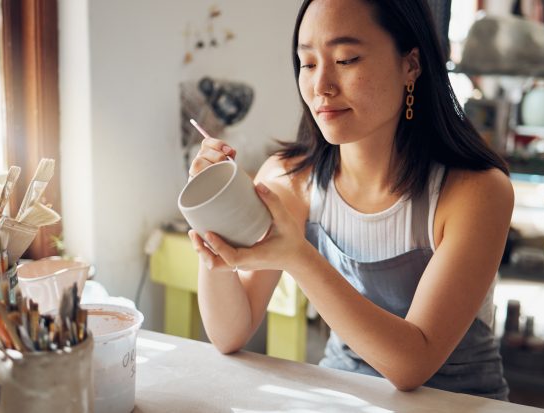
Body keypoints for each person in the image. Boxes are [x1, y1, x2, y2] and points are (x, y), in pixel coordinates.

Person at [188, 0, 513, 400]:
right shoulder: (291, 180)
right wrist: (213, 214)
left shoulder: (477, 192)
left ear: (410, 65)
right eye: (308, 63)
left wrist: (299, 258)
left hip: (459, 402)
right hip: (341, 393)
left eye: (346, 59)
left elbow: (413, 364)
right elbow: (228, 334)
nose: (321, 85)